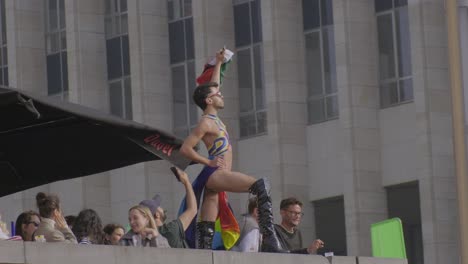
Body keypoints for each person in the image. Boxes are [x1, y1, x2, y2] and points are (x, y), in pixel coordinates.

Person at [179, 48, 285, 252]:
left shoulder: (214, 119)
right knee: (261, 185)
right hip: (216, 173)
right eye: (217, 95)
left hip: (217, 175)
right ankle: (270, 239)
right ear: (209, 101)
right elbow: (186, 148)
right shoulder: (206, 123)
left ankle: (204, 251)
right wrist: (207, 161)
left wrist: (218, 63)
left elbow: (215, 84)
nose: (221, 94)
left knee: (208, 218)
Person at [139, 167, 196, 248]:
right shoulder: (171, 230)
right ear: (157, 215)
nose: (163, 209)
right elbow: (193, 209)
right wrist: (186, 182)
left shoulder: (143, 239)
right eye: (159, 206)